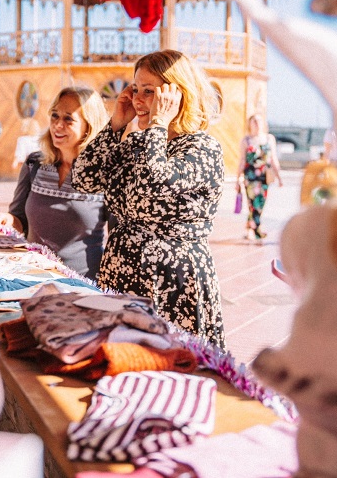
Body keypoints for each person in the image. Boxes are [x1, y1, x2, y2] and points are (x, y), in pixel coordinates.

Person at [72, 49, 227, 349]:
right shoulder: (138, 143)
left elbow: (152, 187)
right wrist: (115, 126)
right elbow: (84, 178)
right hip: (123, 274)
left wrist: (158, 124)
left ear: (177, 95)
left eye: (149, 91)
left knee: (170, 366)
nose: (138, 100)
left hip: (172, 283)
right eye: (135, 89)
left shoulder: (203, 148)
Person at [0, 87, 110, 280]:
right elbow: (19, 219)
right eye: (55, 116)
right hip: (31, 279)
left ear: (89, 126)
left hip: (83, 284)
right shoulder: (34, 164)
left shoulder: (105, 174)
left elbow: (118, 238)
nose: (57, 125)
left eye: (68, 119)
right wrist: (8, 220)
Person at [237, 113, 283, 241]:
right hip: (250, 177)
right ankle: (257, 230)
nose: (257, 124)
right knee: (253, 203)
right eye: (254, 121)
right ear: (250, 124)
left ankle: (249, 227)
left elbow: (273, 159)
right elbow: (242, 160)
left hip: (264, 176)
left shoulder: (269, 139)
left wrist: (279, 177)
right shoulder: (246, 140)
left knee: (261, 203)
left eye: (259, 121)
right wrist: (238, 179)